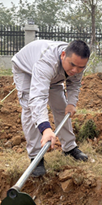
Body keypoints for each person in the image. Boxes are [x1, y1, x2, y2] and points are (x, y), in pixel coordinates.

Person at [11, 39, 91, 177]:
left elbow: (75, 83)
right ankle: (36, 157)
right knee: (30, 109)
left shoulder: (76, 64)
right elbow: (38, 98)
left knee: (61, 105)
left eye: (80, 68)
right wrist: (45, 128)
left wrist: (71, 103)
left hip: (54, 75)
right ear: (63, 55)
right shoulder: (47, 62)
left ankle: (69, 148)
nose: (75, 70)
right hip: (26, 70)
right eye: (72, 65)